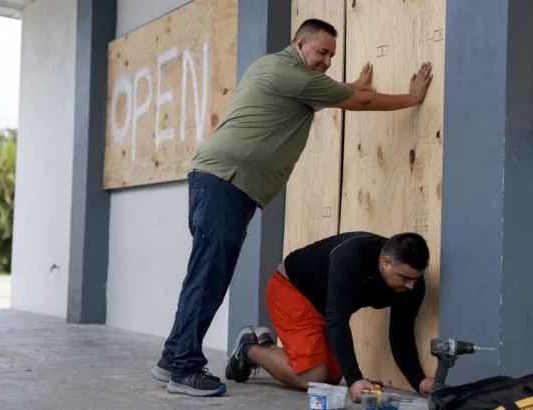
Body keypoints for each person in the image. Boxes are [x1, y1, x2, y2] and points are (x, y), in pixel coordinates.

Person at [149, 18, 434, 398]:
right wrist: (411, 98)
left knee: (206, 274)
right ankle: (184, 368)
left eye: (332, 55)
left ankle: (173, 356)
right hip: (226, 182)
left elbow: (333, 92)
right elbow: (358, 102)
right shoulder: (291, 73)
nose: (327, 60)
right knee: (208, 277)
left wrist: (349, 87)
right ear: (299, 43)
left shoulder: (280, 71)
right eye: (322, 52)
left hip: (224, 182)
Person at [225, 231, 435, 403]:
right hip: (292, 290)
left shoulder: (412, 286)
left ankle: (265, 345)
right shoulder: (352, 256)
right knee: (312, 378)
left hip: (325, 305)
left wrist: (419, 382)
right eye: (405, 278)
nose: (411, 286)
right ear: (386, 262)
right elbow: (337, 319)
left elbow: (401, 334)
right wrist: (355, 380)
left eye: (416, 279)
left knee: (331, 380)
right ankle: (249, 350)